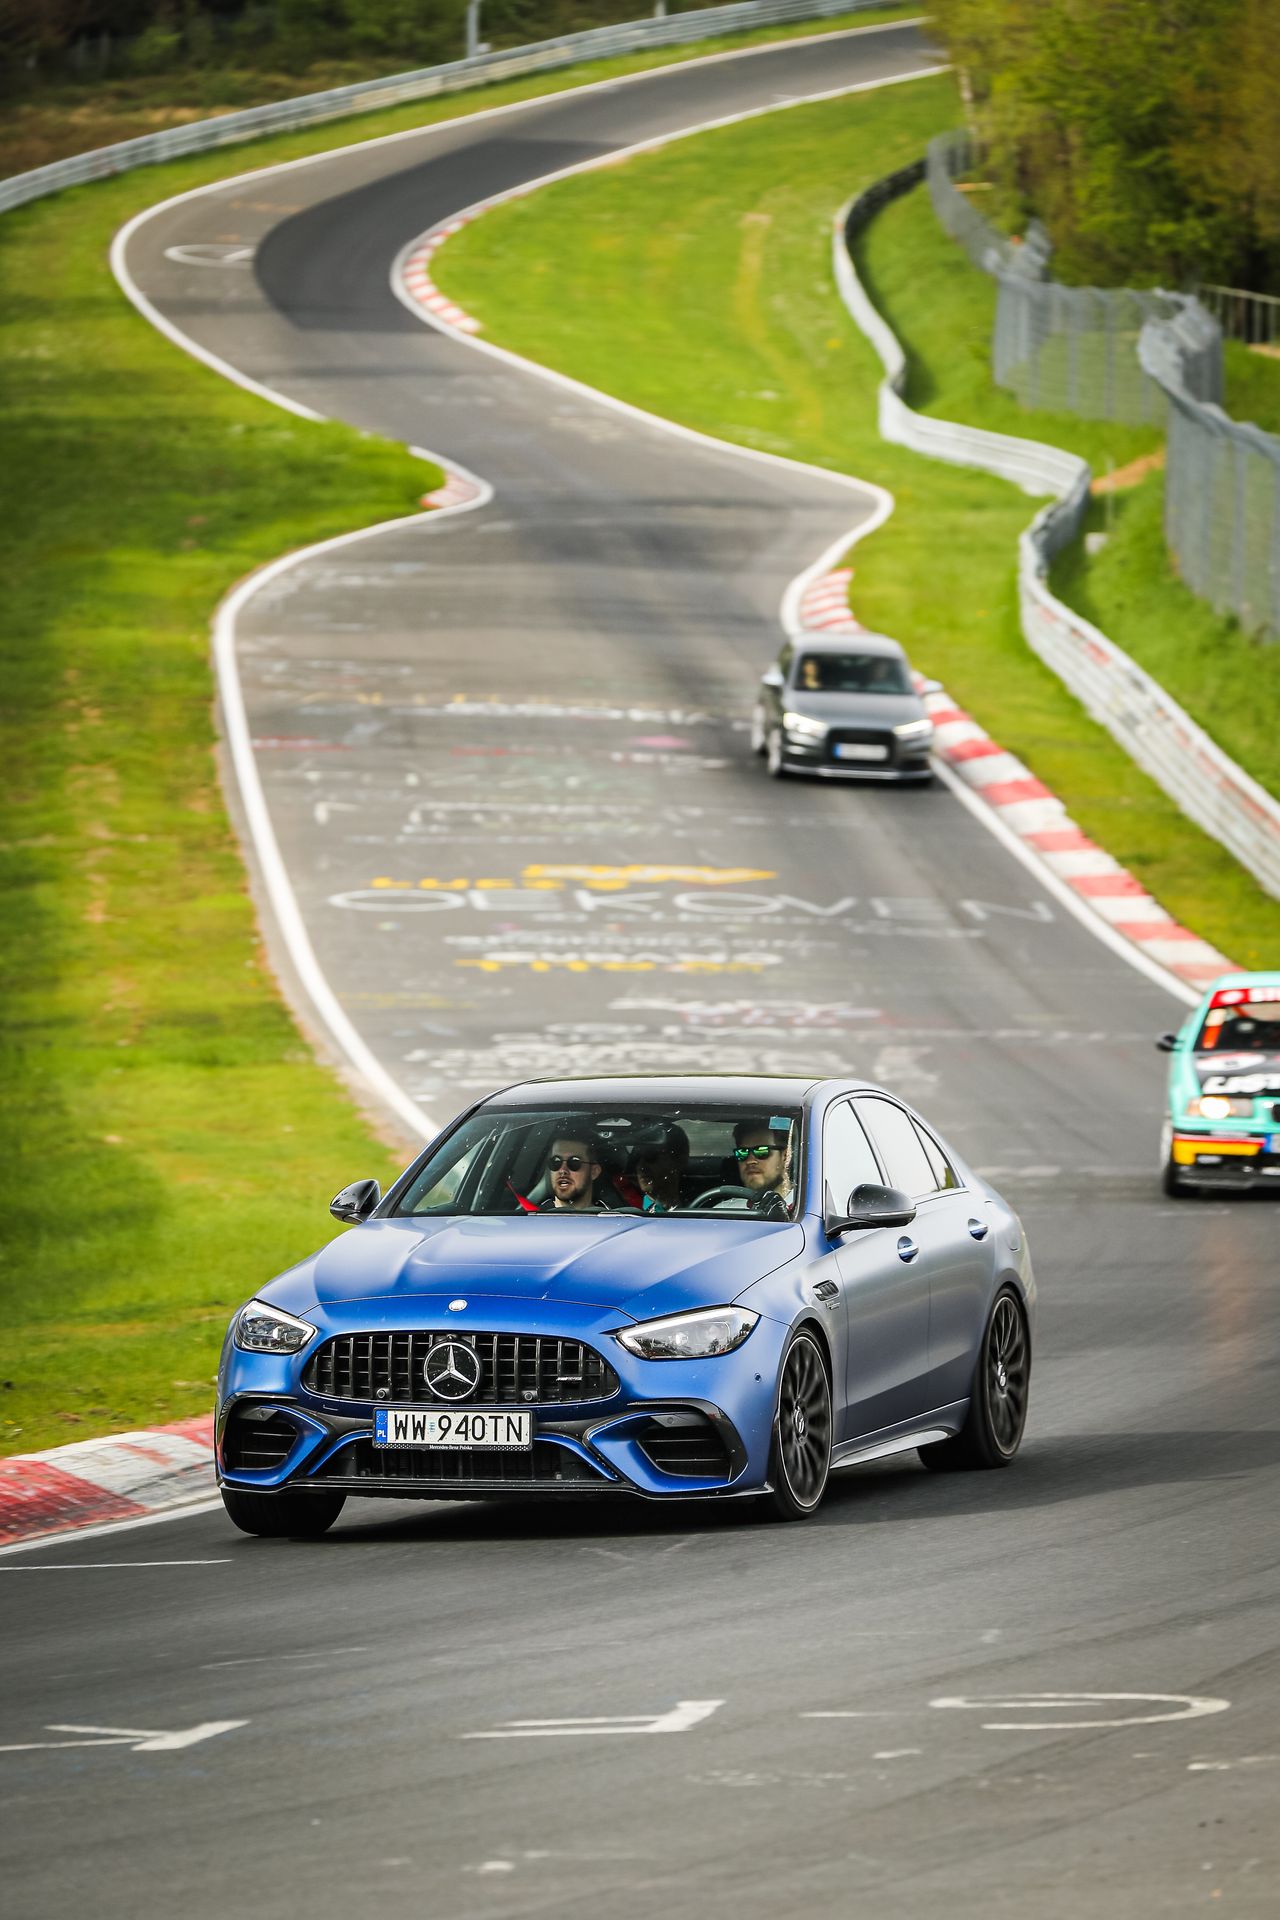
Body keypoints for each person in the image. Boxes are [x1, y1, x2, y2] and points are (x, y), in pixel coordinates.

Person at [731, 1117, 795, 1214]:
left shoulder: (808, 1211)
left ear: (785, 1156)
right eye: (742, 1153)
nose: (750, 1161)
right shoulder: (723, 1212)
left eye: (762, 1151)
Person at [633, 1125, 690, 1213]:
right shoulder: (623, 1211)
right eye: (636, 1159)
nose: (641, 1166)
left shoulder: (708, 1207)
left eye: (651, 1157)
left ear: (679, 1159)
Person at [541, 1134, 602, 1211]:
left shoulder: (613, 1218)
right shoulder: (531, 1219)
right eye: (556, 1162)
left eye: (574, 1162)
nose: (562, 1170)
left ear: (594, 1172)